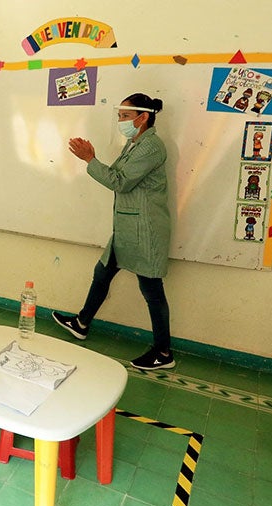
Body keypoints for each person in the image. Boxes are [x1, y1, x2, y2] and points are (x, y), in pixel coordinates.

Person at [52, 93, 176, 370]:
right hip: (127, 226)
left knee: (151, 289)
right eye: (120, 116)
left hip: (146, 229)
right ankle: (82, 323)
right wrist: (92, 160)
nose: (120, 121)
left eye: (125, 116)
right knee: (103, 272)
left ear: (143, 117)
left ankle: (164, 352)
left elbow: (120, 182)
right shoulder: (135, 144)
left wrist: (90, 159)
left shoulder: (151, 147)